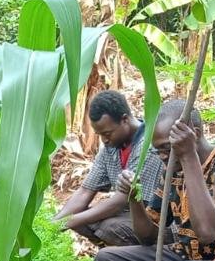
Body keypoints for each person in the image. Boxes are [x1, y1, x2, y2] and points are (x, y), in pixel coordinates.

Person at [92, 99, 215, 261]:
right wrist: (134, 199)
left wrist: (188, 156)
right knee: (106, 260)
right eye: (158, 151)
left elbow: (208, 233)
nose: (163, 157)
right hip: (184, 256)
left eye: (168, 148)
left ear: (195, 135)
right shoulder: (171, 169)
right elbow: (147, 238)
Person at [53, 91, 164, 246]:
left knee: (109, 228)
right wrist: (56, 222)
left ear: (124, 120)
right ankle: (111, 254)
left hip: (150, 216)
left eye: (107, 133)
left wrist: (67, 222)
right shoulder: (111, 146)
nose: (104, 140)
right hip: (126, 212)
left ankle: (132, 260)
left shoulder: (149, 146)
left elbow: (120, 200)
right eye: (99, 135)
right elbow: (85, 191)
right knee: (82, 219)